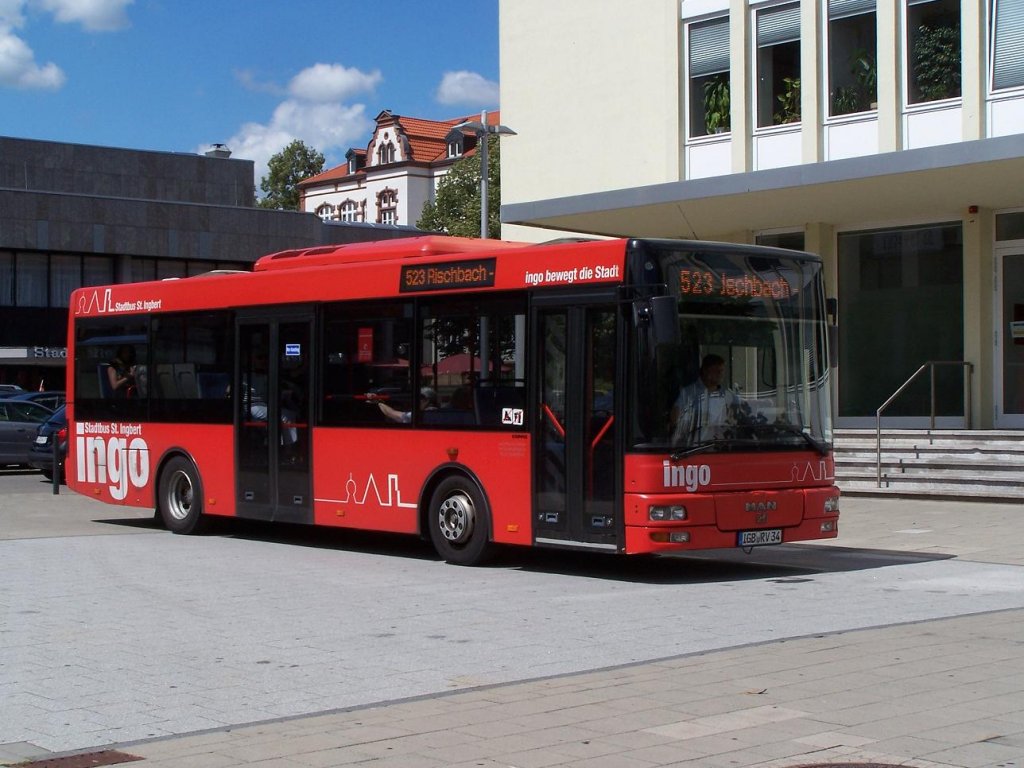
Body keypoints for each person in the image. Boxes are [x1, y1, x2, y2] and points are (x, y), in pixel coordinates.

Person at [670, 353, 742, 445]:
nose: (720, 374)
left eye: (722, 371)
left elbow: (738, 420)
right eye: (716, 371)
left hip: (722, 448)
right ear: (705, 370)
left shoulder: (729, 396)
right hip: (693, 449)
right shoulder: (688, 393)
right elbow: (675, 418)